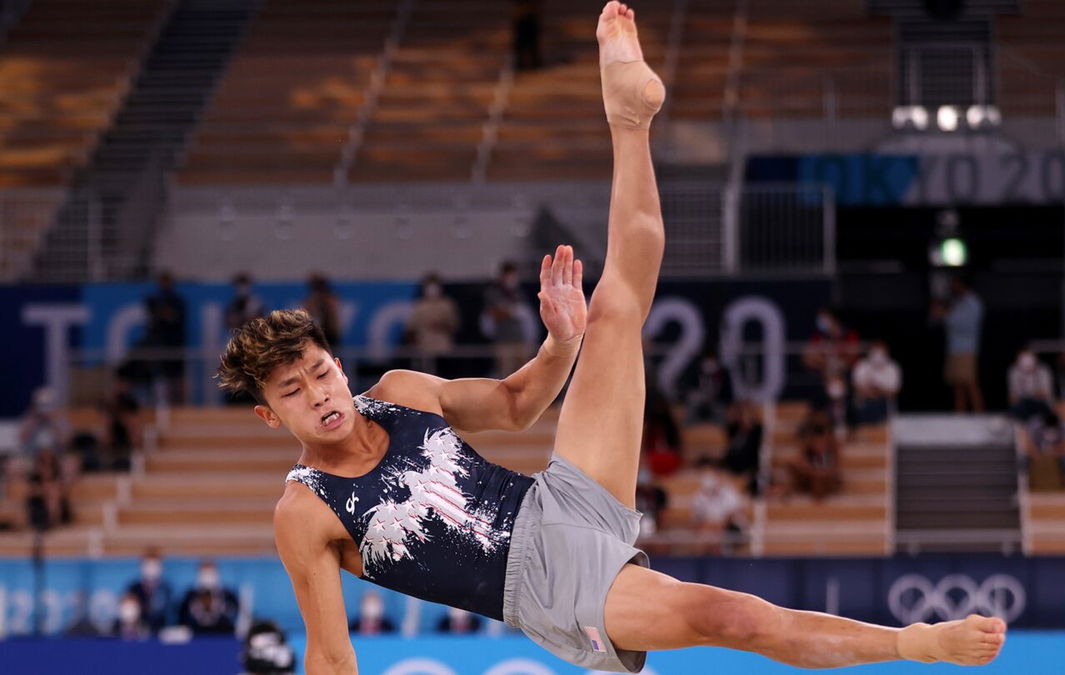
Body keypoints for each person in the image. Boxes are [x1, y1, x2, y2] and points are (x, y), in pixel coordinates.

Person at [217, 5, 1005, 673]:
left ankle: (628, 119)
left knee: (617, 304)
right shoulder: (305, 507)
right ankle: (917, 641)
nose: (320, 393)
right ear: (267, 414)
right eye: (293, 389)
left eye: (320, 371)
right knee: (729, 616)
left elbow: (520, 404)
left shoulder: (396, 393)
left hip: (558, 496)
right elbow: (328, 652)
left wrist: (562, 340)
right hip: (540, 583)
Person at [934, 276, 984, 413]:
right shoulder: (956, 302)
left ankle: (980, 415)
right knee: (957, 384)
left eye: (955, 284)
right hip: (954, 348)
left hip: (967, 348)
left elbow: (966, 325)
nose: (953, 287)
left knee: (969, 382)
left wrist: (945, 316)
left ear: (962, 285)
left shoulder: (973, 303)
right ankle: (959, 416)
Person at [483, 261, 535, 378]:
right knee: (506, 375)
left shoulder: (519, 293)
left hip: (520, 341)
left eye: (514, 275)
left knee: (525, 375)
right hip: (504, 341)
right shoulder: (493, 293)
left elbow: (526, 316)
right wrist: (511, 312)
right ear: (503, 276)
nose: (512, 278)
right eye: (509, 275)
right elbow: (493, 314)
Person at [144, 271, 187, 404]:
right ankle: (161, 405)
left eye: (166, 282)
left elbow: (174, 317)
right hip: (160, 346)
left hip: (175, 345)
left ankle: (179, 404)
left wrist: (164, 313)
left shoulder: (177, 301)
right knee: (161, 380)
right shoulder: (155, 301)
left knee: (177, 379)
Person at [404, 273, 460, 377]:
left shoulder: (447, 305)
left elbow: (454, 327)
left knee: (444, 377)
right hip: (425, 350)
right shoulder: (419, 305)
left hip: (444, 349)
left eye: (435, 286)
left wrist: (441, 326)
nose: (432, 289)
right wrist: (416, 345)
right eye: (430, 286)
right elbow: (410, 329)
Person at [690, 460, 747, 554]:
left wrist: (718, 527)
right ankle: (704, 560)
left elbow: (732, 516)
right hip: (709, 529)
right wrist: (707, 527)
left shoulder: (729, 491)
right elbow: (696, 520)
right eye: (704, 474)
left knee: (715, 534)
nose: (707, 477)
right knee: (704, 535)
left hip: (732, 528)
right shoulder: (699, 496)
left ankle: (721, 554)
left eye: (710, 474)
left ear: (716, 475)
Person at [788, 409, 843, 502]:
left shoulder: (833, 446)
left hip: (825, 477)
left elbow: (835, 468)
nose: (819, 445)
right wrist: (814, 472)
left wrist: (822, 473)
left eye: (822, 442)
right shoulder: (806, 444)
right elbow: (797, 462)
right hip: (811, 476)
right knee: (792, 465)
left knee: (821, 479)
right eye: (816, 442)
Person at [179, 560, 239, 635]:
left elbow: (235, 615)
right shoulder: (190, 596)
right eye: (204, 573)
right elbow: (182, 619)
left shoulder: (227, 595)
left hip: (222, 636)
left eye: (210, 573)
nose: (207, 576)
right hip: (196, 636)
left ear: (217, 574)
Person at [853, 341, 902, 425]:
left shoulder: (892, 367)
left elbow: (894, 391)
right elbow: (857, 387)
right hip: (866, 405)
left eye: (881, 353)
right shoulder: (862, 365)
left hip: (885, 406)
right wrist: (870, 392)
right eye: (876, 352)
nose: (878, 356)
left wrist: (879, 389)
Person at [126, 548, 173, 632]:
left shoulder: (166, 588)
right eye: (148, 565)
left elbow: (169, 613)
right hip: (139, 633)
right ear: (142, 566)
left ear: (161, 567)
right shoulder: (134, 588)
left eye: (154, 565)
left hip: (161, 632)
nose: (151, 568)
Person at [1008, 347, 1054, 422]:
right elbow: (1013, 397)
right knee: (1016, 409)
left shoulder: (1043, 371)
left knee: (1042, 408)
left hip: (1040, 404)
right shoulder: (1014, 371)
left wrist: (1032, 376)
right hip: (1023, 404)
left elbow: (1044, 393)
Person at [304, 274, 341, 349]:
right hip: (316, 334)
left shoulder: (331, 300)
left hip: (330, 335)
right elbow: (308, 316)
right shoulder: (311, 301)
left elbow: (334, 322)